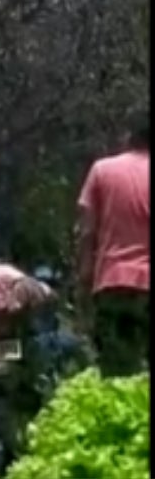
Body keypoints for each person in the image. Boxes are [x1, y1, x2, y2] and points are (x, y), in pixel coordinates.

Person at [75, 111, 149, 377]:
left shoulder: (102, 170)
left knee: (117, 376)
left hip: (112, 285)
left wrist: (83, 284)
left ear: (129, 136)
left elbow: (87, 232)